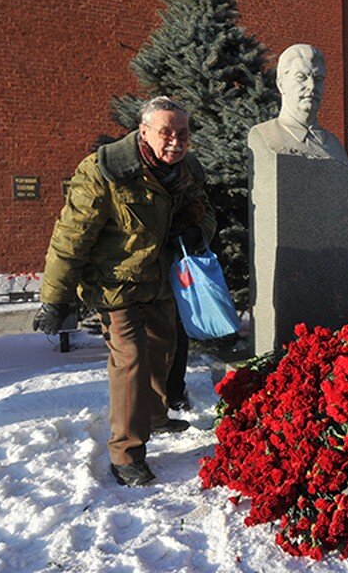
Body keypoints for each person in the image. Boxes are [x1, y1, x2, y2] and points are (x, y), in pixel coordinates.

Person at [34, 96, 216, 486]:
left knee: (162, 351)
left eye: (182, 133)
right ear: (144, 131)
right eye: (166, 133)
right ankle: (126, 453)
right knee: (131, 359)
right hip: (114, 285)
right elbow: (70, 238)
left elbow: (206, 210)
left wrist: (197, 231)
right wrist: (55, 297)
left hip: (159, 280)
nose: (175, 142)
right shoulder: (105, 172)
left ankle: (153, 417)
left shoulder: (186, 171)